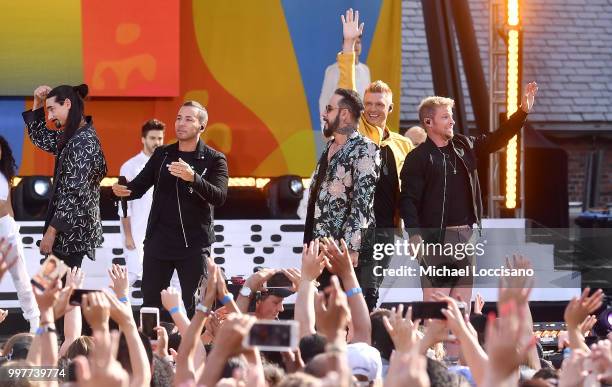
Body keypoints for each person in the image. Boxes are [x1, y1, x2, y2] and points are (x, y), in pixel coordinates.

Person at [399, 81, 539, 305]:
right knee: (437, 306)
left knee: (462, 305)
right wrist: (414, 235)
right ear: (428, 122)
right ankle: (434, 341)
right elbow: (407, 200)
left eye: (451, 116)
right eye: (445, 117)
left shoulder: (463, 145)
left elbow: (497, 139)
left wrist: (522, 112)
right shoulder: (418, 158)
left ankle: (458, 339)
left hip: (465, 236)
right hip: (436, 239)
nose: (452, 121)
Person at [112, 101, 228, 318]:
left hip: (194, 245)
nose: (181, 123)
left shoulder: (215, 159)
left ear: (201, 127)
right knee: (151, 303)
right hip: (159, 242)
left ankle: (200, 349)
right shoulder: (163, 154)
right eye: (178, 118)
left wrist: (193, 178)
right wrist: (120, 190)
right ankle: (153, 348)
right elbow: (138, 187)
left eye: (188, 119)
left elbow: (219, 197)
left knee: (197, 304)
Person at [334, 9, 413, 310]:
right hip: (354, 226)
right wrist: (348, 47)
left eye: (379, 104)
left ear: (390, 107)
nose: (373, 109)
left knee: (372, 290)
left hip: (387, 229)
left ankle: (366, 343)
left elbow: (412, 191)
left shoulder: (403, 144)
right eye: (368, 104)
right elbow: (346, 90)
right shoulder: (356, 130)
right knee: (347, 290)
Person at [22, 84, 107, 268]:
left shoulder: (83, 142)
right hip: (66, 233)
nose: (50, 116)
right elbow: (40, 137)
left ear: (67, 103)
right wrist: (38, 102)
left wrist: (51, 233)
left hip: (70, 237)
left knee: (58, 293)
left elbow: (74, 195)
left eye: (52, 109)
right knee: (58, 293)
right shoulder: (72, 135)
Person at [303, 86, 380, 288]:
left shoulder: (365, 148)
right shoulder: (329, 147)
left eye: (329, 109)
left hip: (344, 255)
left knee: (346, 316)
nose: (323, 114)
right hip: (320, 254)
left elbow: (363, 202)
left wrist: (352, 249)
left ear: (344, 114)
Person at [0, 136, 40, 332]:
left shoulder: (5, 176)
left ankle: (34, 322)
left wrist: (13, 227)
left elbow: (8, 207)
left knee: (21, 277)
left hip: (6, 228)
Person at [118, 119, 165, 284]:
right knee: (133, 273)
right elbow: (124, 205)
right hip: (136, 232)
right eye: (152, 138)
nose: (157, 142)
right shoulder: (129, 167)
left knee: (157, 277)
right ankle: (109, 304)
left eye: (159, 138)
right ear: (143, 139)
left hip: (160, 233)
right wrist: (128, 236)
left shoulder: (167, 165)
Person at [318, 23, 371, 131]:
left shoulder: (365, 70)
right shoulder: (332, 70)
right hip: (339, 127)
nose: (356, 46)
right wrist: (326, 126)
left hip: (361, 128)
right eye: (352, 43)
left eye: (358, 43)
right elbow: (324, 100)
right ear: (344, 45)